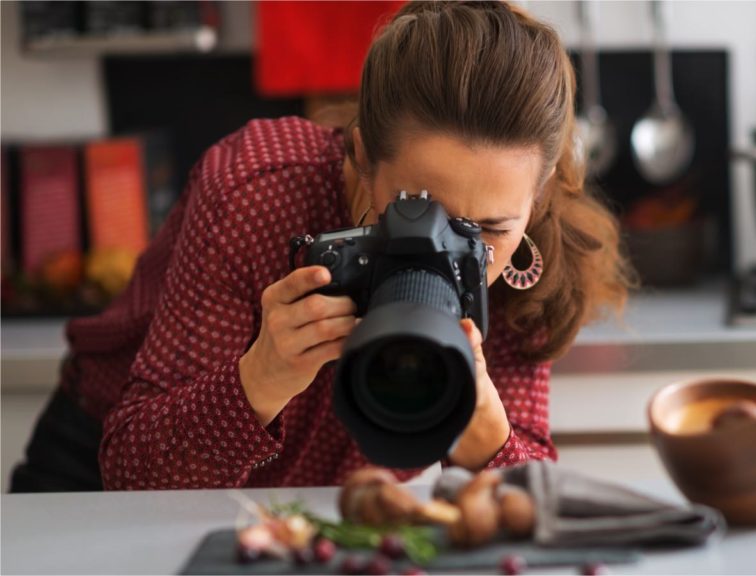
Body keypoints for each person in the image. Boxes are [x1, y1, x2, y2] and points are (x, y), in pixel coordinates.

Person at [9, 0, 632, 492]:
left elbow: (530, 514)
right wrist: (259, 377)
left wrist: (490, 443)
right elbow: (132, 474)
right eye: (415, 209)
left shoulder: (525, 268)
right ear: (361, 157)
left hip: (322, 516)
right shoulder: (258, 193)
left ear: (538, 199)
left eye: (489, 228)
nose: (446, 250)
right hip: (92, 474)